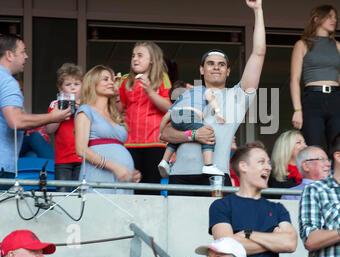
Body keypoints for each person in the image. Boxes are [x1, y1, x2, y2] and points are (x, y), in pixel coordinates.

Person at [160, 0, 265, 196]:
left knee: (217, 229)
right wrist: (192, 134)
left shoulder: (237, 96)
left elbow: (258, 53)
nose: (216, 68)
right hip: (179, 176)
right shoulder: (188, 95)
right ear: (201, 70)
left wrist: (258, 11)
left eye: (221, 64)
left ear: (228, 72)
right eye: (210, 63)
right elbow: (165, 134)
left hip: (216, 177)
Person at [209, 141, 298, 257]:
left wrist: (248, 234)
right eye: (261, 162)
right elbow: (226, 248)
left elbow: (290, 244)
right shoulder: (222, 205)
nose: (268, 167)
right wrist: (274, 241)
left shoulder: (277, 208)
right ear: (243, 166)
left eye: (269, 163)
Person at [0, 34, 71, 174]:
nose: (26, 56)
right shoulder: (7, 82)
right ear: (9, 55)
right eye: (22, 52)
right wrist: (53, 117)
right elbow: (16, 121)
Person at [75, 65, 141, 194]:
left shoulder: (114, 115)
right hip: (98, 176)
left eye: (111, 79)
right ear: (93, 84)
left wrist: (129, 171)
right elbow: (81, 149)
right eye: (105, 79)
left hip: (122, 180)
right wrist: (115, 167)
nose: (111, 82)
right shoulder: (85, 110)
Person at [117, 41, 172, 195]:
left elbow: (169, 107)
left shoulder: (161, 78)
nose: (135, 59)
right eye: (133, 55)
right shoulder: (125, 80)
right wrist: (115, 93)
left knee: (151, 185)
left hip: (155, 141)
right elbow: (119, 109)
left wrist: (149, 91)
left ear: (152, 60)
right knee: (132, 184)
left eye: (140, 55)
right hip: (130, 141)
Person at [290, 4, 340, 148]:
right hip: (313, 98)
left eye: (335, 17)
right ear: (316, 19)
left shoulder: (339, 46)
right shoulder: (302, 44)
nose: (334, 20)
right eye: (330, 16)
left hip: (336, 98)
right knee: (312, 146)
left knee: (339, 146)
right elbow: (294, 80)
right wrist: (297, 110)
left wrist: (332, 85)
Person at [157, 83, 226, 178]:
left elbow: (165, 118)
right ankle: (208, 165)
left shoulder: (179, 100)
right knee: (207, 133)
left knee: (176, 138)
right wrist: (218, 113)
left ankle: (164, 161)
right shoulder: (201, 89)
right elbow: (211, 98)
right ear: (188, 87)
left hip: (175, 116)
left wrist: (160, 133)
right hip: (190, 115)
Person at [46, 63, 84, 192]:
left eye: (77, 84)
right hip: (62, 159)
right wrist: (59, 115)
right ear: (61, 89)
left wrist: (82, 110)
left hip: (83, 157)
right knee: (62, 194)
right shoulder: (55, 104)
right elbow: (49, 130)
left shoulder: (87, 104)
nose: (73, 88)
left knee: (80, 194)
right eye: (68, 85)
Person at [268, 130, 307, 197]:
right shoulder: (271, 173)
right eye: (299, 142)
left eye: (304, 142)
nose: (305, 146)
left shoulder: (309, 170)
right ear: (286, 147)